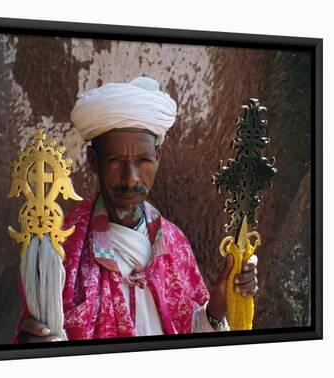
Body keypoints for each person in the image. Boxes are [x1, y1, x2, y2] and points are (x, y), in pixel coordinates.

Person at [15, 76, 259, 342]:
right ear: (93, 161)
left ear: (158, 158)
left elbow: (190, 337)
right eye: (115, 161)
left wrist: (217, 306)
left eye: (143, 160)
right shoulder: (62, 248)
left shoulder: (174, 242)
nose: (130, 178)